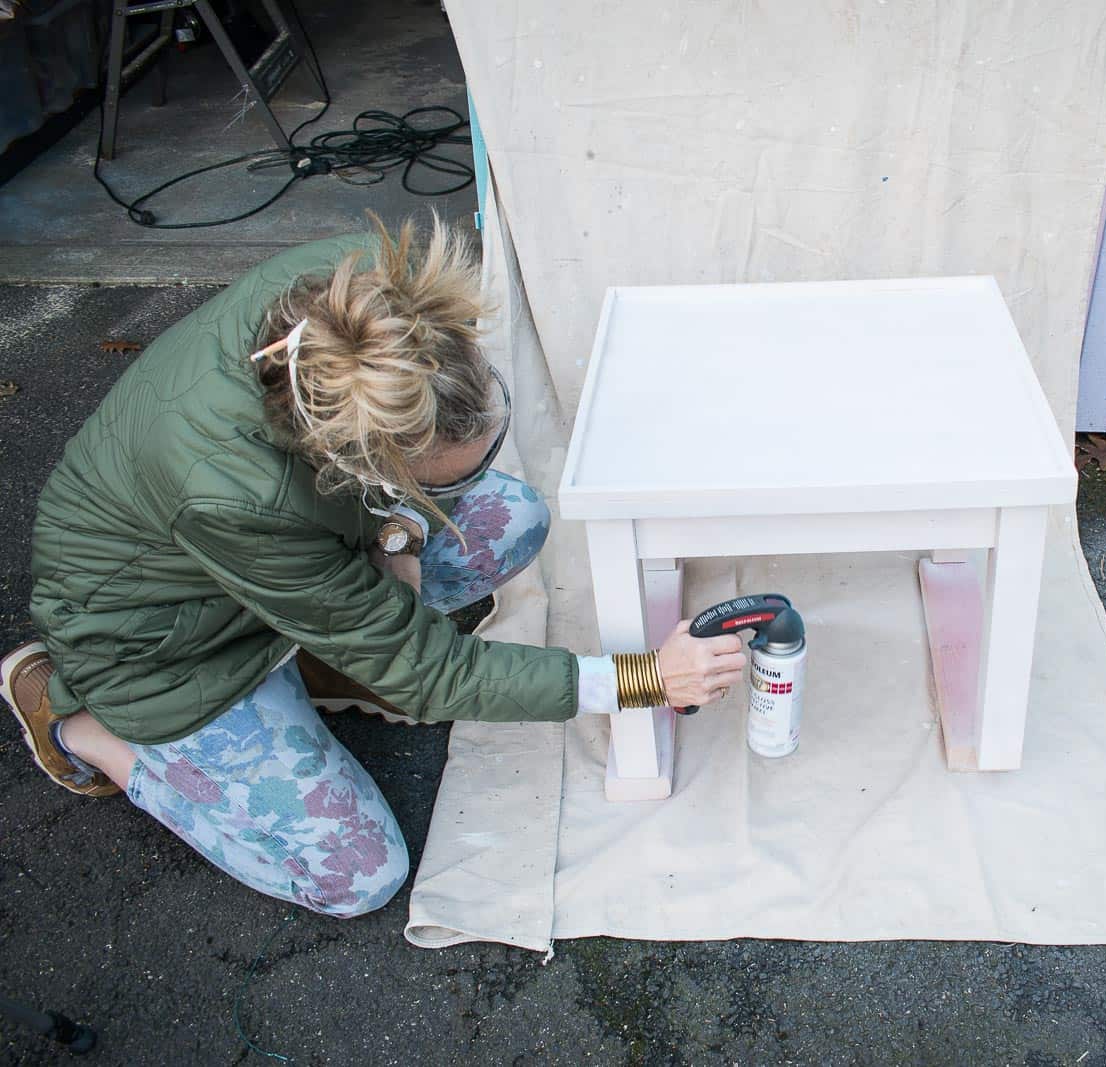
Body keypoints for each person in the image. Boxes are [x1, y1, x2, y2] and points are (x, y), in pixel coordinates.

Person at [2, 215, 744, 917]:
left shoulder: (372, 295)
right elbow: (437, 675)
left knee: (510, 518)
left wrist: (397, 538)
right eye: (443, 480)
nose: (470, 481)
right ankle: (85, 731)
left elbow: (383, 527)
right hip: (165, 651)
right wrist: (641, 678)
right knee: (357, 874)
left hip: (279, 576)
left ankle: (332, 660)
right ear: (361, 464)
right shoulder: (236, 497)